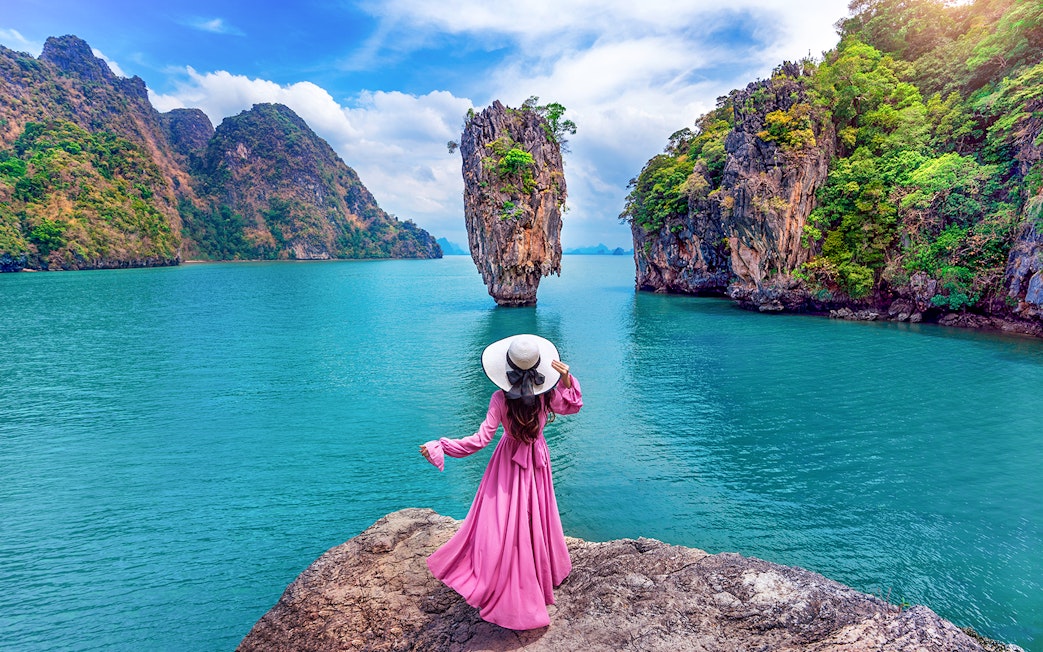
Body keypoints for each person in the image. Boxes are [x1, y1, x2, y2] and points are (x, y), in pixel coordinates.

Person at [419, 334, 583, 630]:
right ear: (537, 367)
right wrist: (567, 377)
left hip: (507, 462)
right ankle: (539, 571)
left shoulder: (499, 398)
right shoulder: (546, 395)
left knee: (501, 522)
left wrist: (442, 445)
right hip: (536, 460)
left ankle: (503, 574)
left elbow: (480, 440)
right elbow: (573, 405)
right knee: (537, 516)